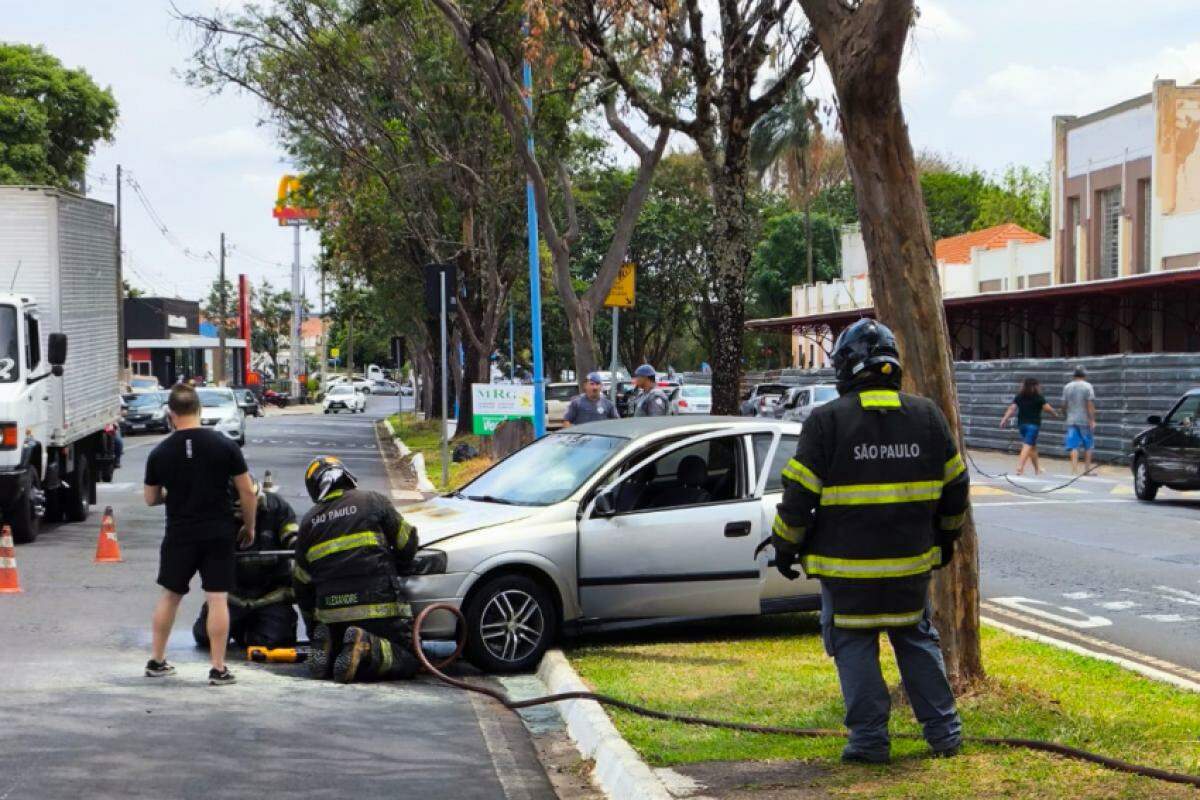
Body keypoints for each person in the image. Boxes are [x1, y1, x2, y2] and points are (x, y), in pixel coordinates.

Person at [770, 318, 970, 764]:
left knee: (854, 646)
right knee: (916, 639)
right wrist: (946, 536)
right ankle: (944, 734)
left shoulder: (826, 422)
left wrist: (785, 545)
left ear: (847, 367)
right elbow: (957, 487)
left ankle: (869, 741)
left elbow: (799, 496)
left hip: (847, 573)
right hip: (910, 566)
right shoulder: (927, 416)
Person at [143, 384, 256, 686]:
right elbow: (247, 490)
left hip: (179, 532)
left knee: (170, 594)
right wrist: (250, 525)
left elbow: (151, 499)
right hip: (218, 531)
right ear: (199, 410)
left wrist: (176, 493)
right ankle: (218, 668)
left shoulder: (160, 452)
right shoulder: (224, 445)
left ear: (171, 414)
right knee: (218, 597)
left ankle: (156, 660)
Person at [292, 456, 420, 684]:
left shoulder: (308, 522)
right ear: (346, 475)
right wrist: (399, 565)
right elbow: (407, 542)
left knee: (344, 659)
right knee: (407, 660)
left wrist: (314, 628)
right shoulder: (372, 501)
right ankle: (368, 644)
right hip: (379, 612)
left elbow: (301, 584)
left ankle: (329, 649)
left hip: (331, 617)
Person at [192, 474, 301, 649]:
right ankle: (240, 627)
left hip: (271, 596)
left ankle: (251, 630)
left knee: (273, 641)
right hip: (233, 596)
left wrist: (296, 545)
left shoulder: (277, 507)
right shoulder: (216, 515)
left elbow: (292, 538)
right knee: (205, 637)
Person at [999, 378, 1059, 475]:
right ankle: (1020, 467)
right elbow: (1047, 408)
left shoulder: (1019, 396)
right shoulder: (1038, 397)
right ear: (1035, 386)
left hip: (1022, 425)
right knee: (1027, 445)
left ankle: (1037, 469)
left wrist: (1004, 419)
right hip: (1033, 425)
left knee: (1032, 447)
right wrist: (1055, 413)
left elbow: (1012, 408)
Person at [1062, 366, 1096, 474]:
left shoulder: (1067, 387)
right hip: (1085, 420)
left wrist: (1065, 414)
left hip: (1071, 420)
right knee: (1088, 445)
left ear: (1074, 375)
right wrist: (1092, 420)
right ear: (1084, 375)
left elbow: (1064, 404)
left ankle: (1074, 470)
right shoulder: (1088, 386)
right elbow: (1089, 404)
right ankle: (1087, 470)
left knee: (1073, 446)